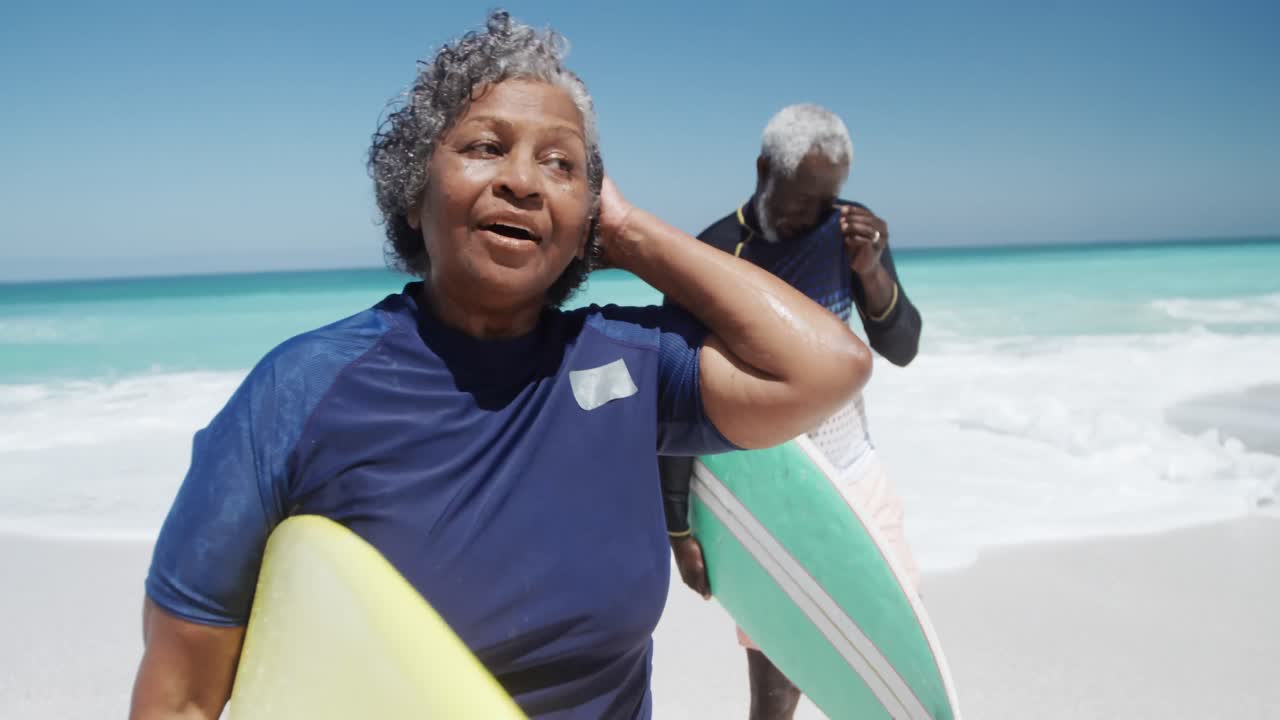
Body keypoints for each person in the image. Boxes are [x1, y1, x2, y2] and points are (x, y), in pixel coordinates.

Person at [127, 13, 872, 720]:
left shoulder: (631, 365)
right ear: (414, 193)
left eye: (561, 164)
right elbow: (182, 697)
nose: (524, 181)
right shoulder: (299, 393)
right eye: (486, 147)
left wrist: (630, 232)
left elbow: (826, 367)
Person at [658, 104, 924, 720]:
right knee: (776, 682)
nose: (814, 217)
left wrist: (874, 272)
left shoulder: (850, 237)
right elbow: (675, 396)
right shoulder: (717, 252)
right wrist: (681, 529)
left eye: (828, 200)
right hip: (764, 491)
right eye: (802, 199)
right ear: (762, 170)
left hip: (854, 470)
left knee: (890, 637)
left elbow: (902, 347)